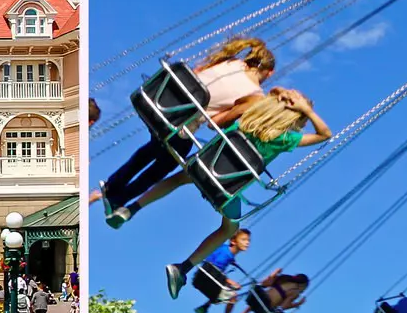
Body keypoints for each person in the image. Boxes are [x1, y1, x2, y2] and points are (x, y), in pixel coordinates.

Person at [161, 88, 334, 289]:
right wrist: (308, 110)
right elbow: (325, 134)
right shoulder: (286, 139)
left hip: (204, 166)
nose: (302, 127)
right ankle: (182, 268)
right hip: (226, 187)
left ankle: (131, 206)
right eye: (302, 122)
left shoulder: (251, 117)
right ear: (295, 118)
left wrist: (283, 94)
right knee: (230, 228)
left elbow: (272, 92)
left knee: (179, 178)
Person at [100, 37, 276, 224]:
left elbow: (195, 74)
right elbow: (214, 123)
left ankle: (112, 185)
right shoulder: (255, 95)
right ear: (269, 73)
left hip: (159, 102)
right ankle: (119, 198)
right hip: (180, 125)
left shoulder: (229, 60)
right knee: (168, 160)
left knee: (155, 146)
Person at [182, 228, 252, 313]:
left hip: (205, 279)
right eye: (244, 240)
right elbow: (213, 268)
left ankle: (204, 308)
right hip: (206, 277)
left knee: (222, 291)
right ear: (233, 241)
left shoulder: (227, 251)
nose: (247, 243)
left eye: (248, 240)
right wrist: (230, 282)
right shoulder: (226, 254)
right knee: (233, 296)